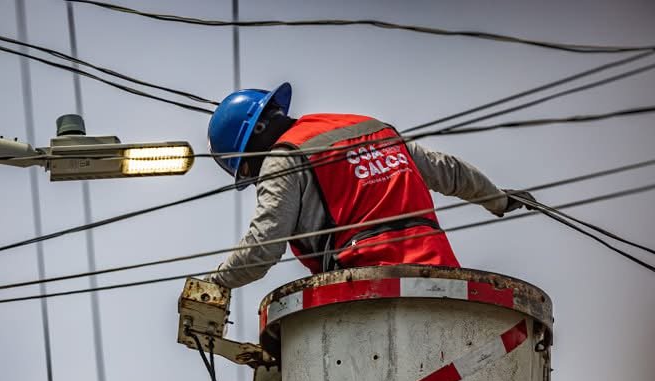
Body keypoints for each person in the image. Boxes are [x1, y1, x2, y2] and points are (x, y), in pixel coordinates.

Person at [205, 82, 535, 289]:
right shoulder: (372, 128)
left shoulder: (284, 157)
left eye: (251, 166)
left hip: (365, 291)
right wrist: (499, 199)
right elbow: (449, 171)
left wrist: (215, 283)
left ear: (255, 136)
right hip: (442, 281)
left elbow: (264, 245)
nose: (258, 173)